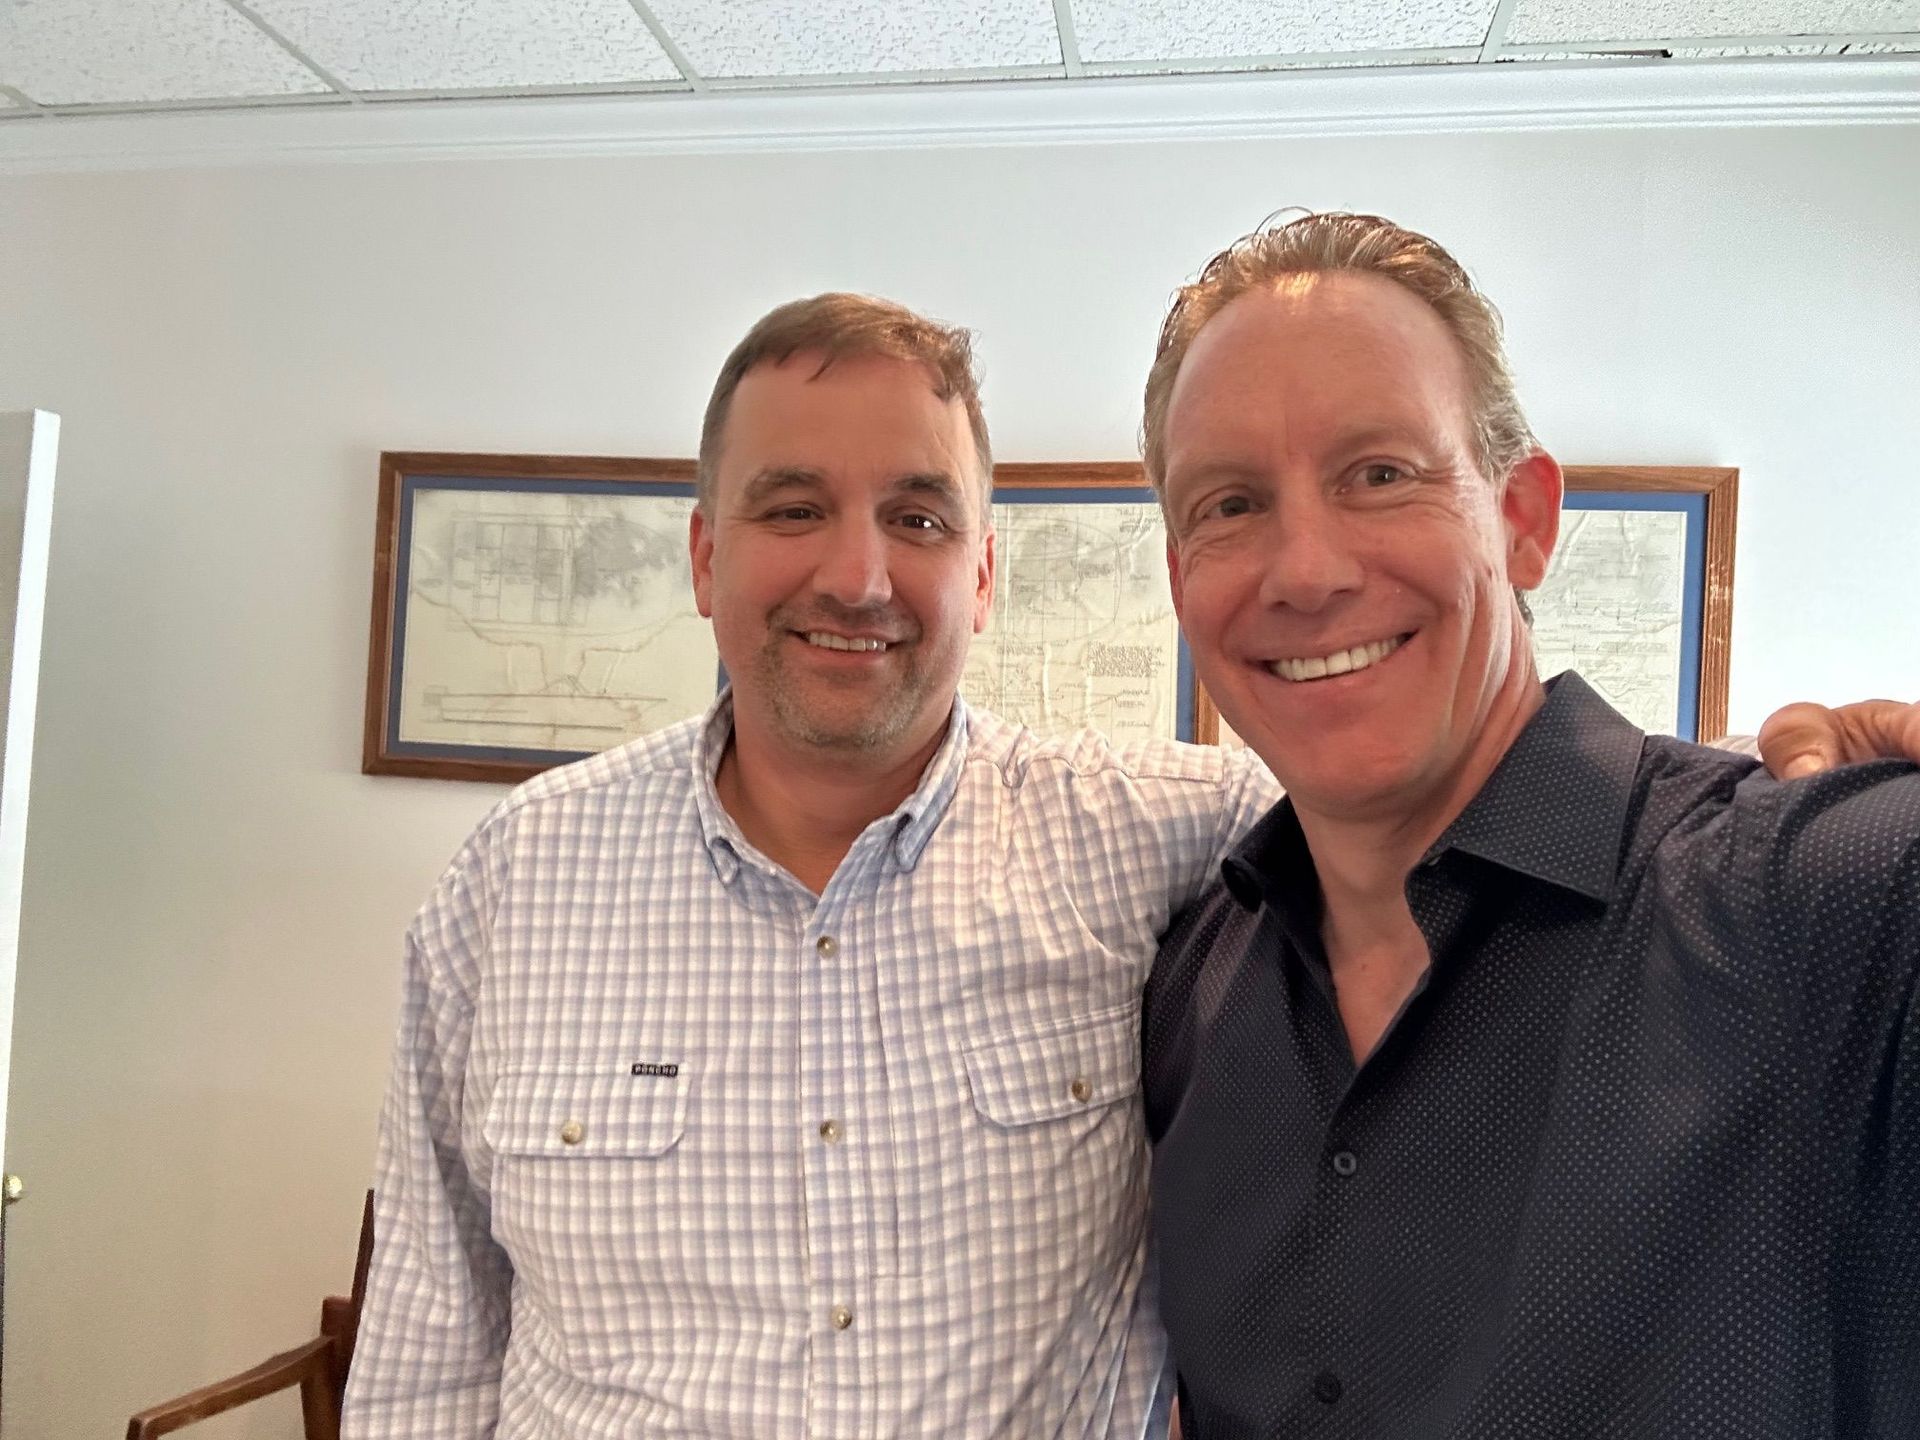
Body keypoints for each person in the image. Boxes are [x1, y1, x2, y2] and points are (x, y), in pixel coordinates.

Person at [341, 293, 1279, 1439]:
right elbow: (428, 1352)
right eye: (793, 508)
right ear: (704, 555)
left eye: (920, 520)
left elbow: (1427, 843)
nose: (857, 576)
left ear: (984, 575)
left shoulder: (1177, 837)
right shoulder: (509, 883)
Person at [1140, 212, 1920, 1438]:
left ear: (1525, 520)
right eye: (1231, 504)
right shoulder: (1188, 982)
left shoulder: (1808, 899)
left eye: (1380, 474)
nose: (1304, 569)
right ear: (1184, 582)